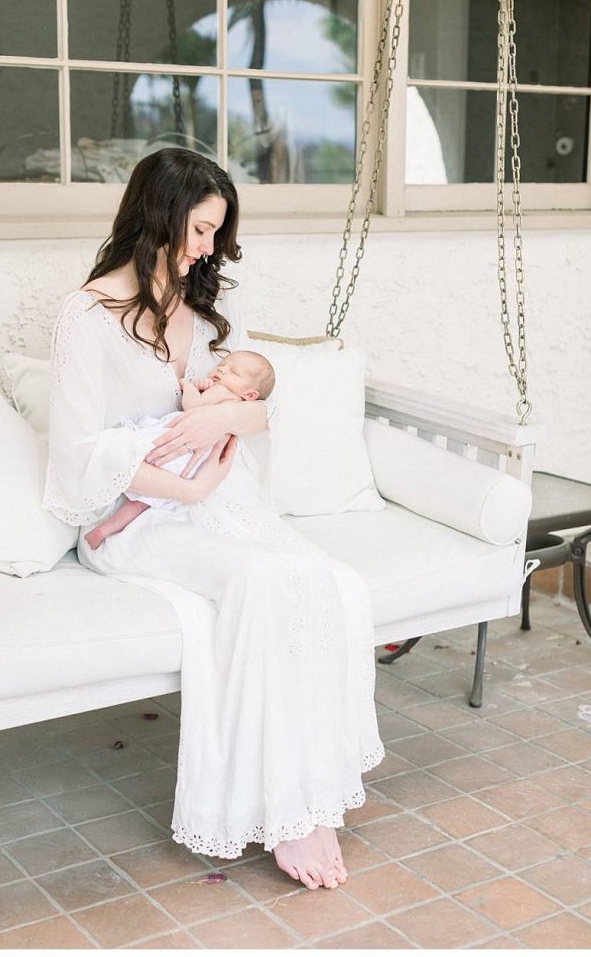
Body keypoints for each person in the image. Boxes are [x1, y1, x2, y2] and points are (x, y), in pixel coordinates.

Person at [42, 147, 384, 891]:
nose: (206, 250)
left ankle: (311, 796)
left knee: (325, 580)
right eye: (198, 231)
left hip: (216, 497)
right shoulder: (88, 315)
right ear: (157, 216)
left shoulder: (203, 310)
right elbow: (76, 456)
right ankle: (289, 813)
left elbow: (255, 405)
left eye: (215, 235)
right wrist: (186, 485)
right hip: (135, 519)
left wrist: (222, 422)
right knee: (264, 579)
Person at [83, 350, 275, 550]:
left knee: (131, 456)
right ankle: (104, 531)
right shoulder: (238, 409)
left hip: (181, 447)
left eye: (234, 372)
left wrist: (189, 387)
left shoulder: (223, 393)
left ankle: (104, 495)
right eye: (223, 365)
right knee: (147, 501)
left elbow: (193, 406)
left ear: (250, 395)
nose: (222, 368)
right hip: (193, 463)